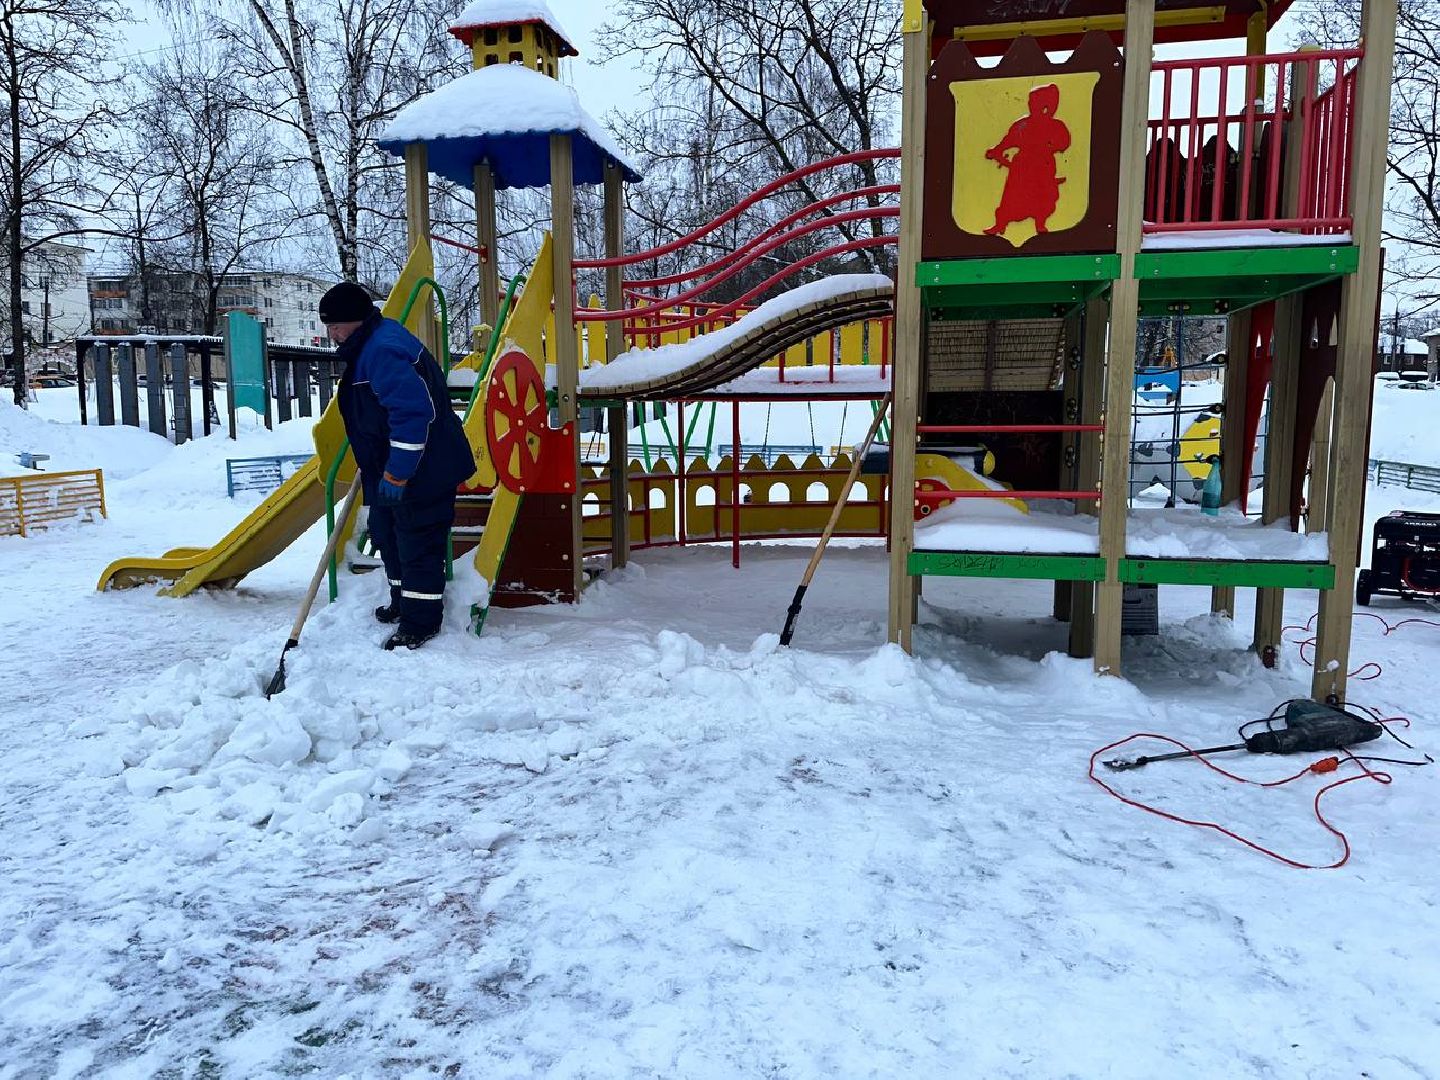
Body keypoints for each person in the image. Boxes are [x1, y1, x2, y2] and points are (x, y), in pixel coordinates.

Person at [319, 281, 476, 650]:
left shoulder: (383, 350)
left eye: (335, 325)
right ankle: (403, 602)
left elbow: (412, 413)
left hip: (423, 467)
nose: (332, 333)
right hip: (389, 467)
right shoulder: (367, 345)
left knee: (416, 541)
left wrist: (397, 471)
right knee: (385, 532)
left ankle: (420, 623)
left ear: (354, 321)